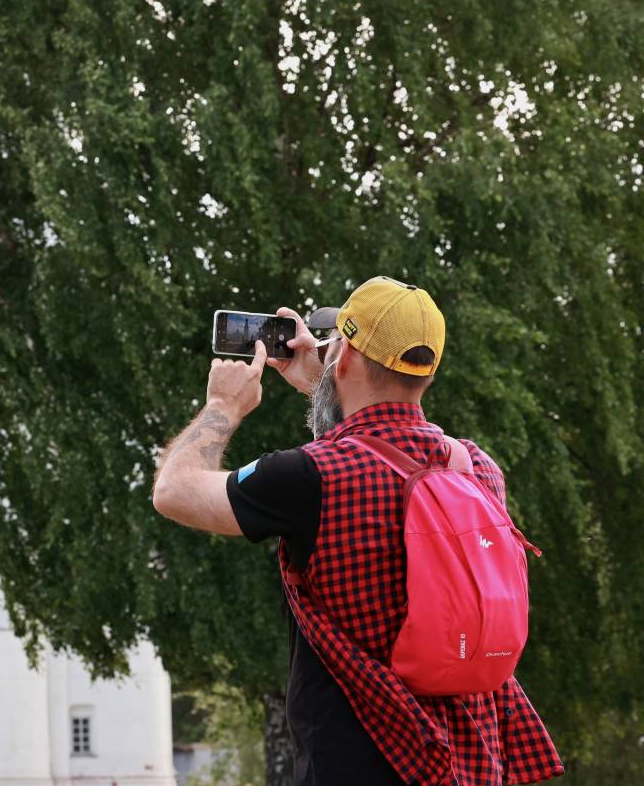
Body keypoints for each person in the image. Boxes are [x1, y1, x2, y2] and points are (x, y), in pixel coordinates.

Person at [152, 277, 564, 786]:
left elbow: (175, 489)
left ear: (343, 355)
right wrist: (325, 384)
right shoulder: (477, 469)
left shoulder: (307, 477)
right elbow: (380, 460)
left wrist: (223, 406)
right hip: (466, 765)